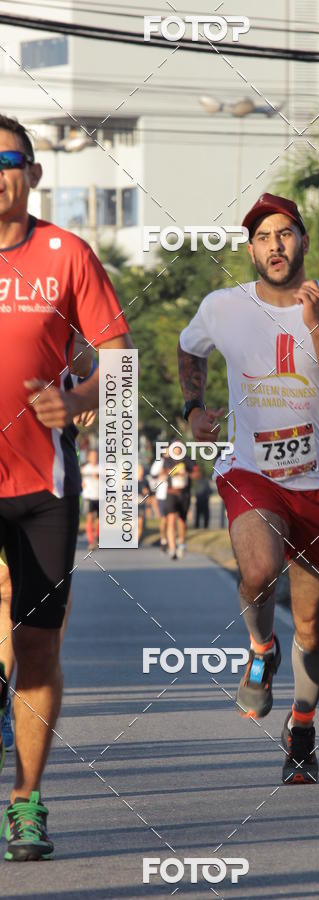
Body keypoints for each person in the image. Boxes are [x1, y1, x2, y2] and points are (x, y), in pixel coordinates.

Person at [177, 192, 319, 783]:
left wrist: (313, 327)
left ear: (303, 240)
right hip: (252, 471)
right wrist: (193, 409)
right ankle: (261, 648)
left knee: (313, 624)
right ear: (251, 250)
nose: (275, 246)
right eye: (262, 238)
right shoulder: (222, 306)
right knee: (259, 572)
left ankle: (302, 726)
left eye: (284, 234)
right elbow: (189, 348)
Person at [0, 114, 132, 860]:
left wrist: (78, 399)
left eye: (7, 159)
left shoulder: (67, 254)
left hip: (42, 484)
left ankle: (25, 801)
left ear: (32, 173)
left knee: (38, 648)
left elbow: (118, 360)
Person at [0, 334, 95, 756]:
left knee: (28, 597)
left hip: (42, 475)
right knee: (7, 588)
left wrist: (87, 388)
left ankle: (9, 691)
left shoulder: (54, 299)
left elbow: (92, 355)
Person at [161, 445, 194, 560]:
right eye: (175, 448)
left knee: (182, 522)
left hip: (184, 494)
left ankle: (181, 544)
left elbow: (196, 474)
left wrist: (187, 473)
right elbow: (167, 472)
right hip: (171, 493)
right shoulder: (168, 460)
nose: (177, 450)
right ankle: (172, 548)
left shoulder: (188, 460)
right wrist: (178, 471)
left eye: (179, 447)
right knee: (171, 520)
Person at [80, 448, 100, 551]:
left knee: (99, 519)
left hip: (100, 496)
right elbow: (79, 479)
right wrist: (81, 483)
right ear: (88, 457)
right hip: (88, 496)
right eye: (92, 456)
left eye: (95, 456)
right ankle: (91, 541)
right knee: (90, 518)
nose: (94, 458)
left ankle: (97, 537)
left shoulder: (102, 468)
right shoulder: (85, 469)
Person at [149, 452, 169, 552]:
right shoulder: (160, 462)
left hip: (174, 494)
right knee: (164, 519)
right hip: (162, 494)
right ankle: (163, 540)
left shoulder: (177, 461)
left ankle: (171, 539)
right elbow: (152, 476)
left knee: (173, 519)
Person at [137, 464, 151, 544]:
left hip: (141, 504)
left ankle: (136, 541)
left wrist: (146, 493)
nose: (141, 472)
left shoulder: (145, 481)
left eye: (142, 470)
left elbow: (149, 494)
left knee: (140, 523)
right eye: (139, 470)